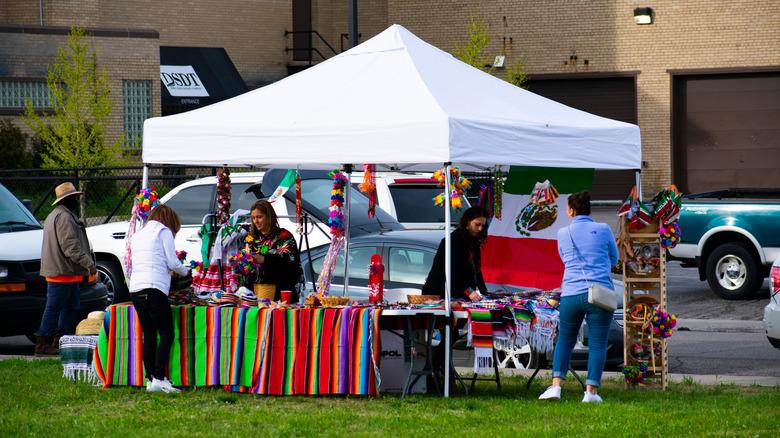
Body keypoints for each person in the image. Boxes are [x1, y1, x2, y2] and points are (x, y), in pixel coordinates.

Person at [538, 191, 619, 403]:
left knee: (564, 340)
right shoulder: (603, 229)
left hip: (571, 293)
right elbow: (614, 259)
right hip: (599, 294)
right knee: (598, 344)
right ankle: (591, 392)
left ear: (571, 211)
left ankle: (556, 387)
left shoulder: (563, 232)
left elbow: (565, 259)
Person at [128, 204, 190, 393]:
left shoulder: (138, 234)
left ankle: (150, 380)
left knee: (149, 335)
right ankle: (160, 378)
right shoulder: (163, 231)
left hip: (136, 289)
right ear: (170, 221)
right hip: (153, 287)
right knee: (166, 334)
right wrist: (186, 271)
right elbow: (172, 261)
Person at [35, 182, 98, 357]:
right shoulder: (64, 217)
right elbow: (70, 246)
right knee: (55, 309)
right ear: (68, 199)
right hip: (62, 273)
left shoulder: (56, 215)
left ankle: (60, 340)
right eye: (75, 197)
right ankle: (43, 343)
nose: (77, 200)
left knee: (69, 307)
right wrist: (88, 263)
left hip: (66, 273)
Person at [422, 205, 489, 301]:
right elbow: (452, 270)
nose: (480, 229)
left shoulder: (474, 242)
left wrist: (485, 293)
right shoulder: (453, 240)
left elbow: (477, 270)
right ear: (467, 222)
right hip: (441, 294)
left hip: (460, 294)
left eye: (482, 225)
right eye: (477, 224)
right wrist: (469, 291)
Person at [246, 200, 303, 303]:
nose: (256, 221)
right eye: (253, 218)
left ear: (269, 216)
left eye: (259, 217)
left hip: (281, 298)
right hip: (256, 298)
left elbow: (293, 268)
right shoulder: (251, 239)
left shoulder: (284, 237)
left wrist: (265, 260)